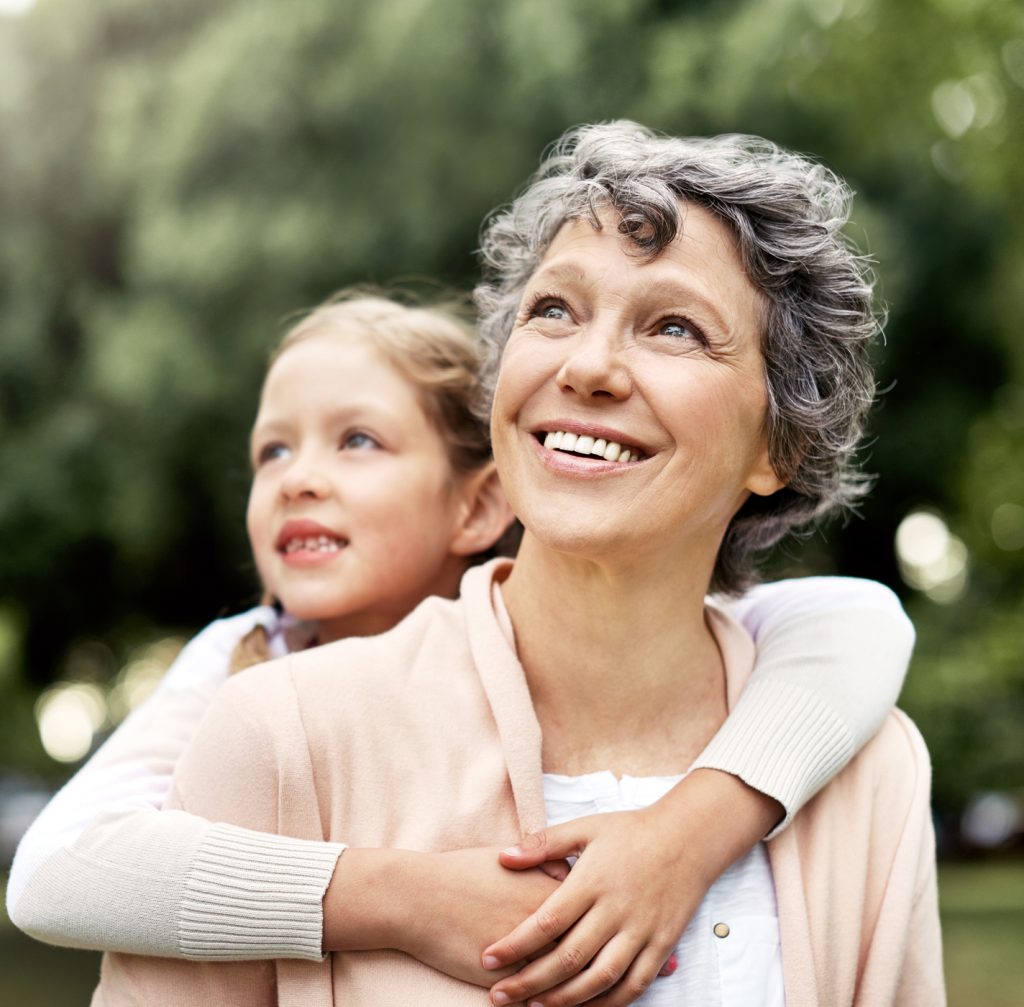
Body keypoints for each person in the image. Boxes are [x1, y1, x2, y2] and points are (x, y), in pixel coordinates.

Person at [16, 247, 920, 1006]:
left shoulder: (810, 705)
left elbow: (861, 618)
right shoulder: (247, 678)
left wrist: (693, 826)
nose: (297, 478)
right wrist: (403, 896)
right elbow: (59, 870)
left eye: (359, 441)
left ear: (479, 502)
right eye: (271, 450)